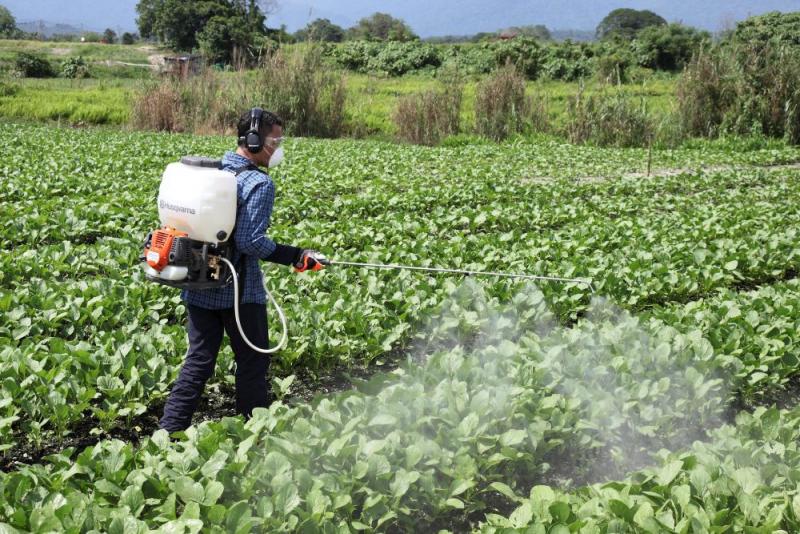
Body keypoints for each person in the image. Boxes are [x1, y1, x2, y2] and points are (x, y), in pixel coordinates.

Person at [159, 108, 323, 433]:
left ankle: (168, 432)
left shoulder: (206, 173)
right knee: (252, 362)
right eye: (275, 140)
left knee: (199, 361)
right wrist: (295, 256)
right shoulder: (258, 183)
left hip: (198, 280)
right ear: (253, 140)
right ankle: (254, 432)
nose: (278, 148)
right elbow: (250, 242)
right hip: (239, 292)